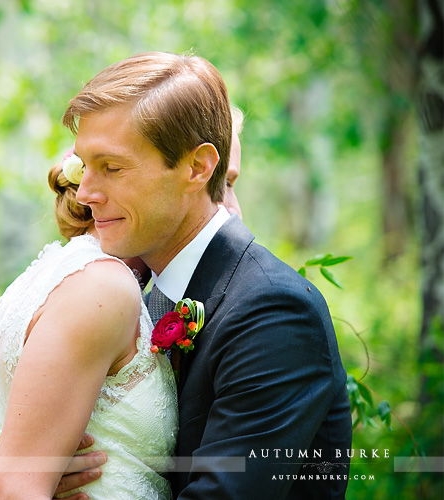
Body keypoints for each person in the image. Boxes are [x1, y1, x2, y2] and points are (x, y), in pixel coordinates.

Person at [58, 51, 352, 499]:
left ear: (197, 168)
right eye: (84, 167)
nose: (86, 193)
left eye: (112, 168)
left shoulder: (273, 312)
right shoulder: (128, 290)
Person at [0, 150, 178, 499]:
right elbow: (14, 489)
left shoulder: (58, 273)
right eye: (224, 184)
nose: (231, 210)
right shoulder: (102, 285)